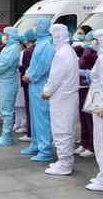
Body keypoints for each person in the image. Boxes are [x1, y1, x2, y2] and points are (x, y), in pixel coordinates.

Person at [41, 24, 80, 175]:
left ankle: (65, 164)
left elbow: (55, 78)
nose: (51, 39)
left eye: (52, 36)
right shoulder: (68, 51)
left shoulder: (62, 54)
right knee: (65, 130)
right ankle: (64, 161)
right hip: (66, 97)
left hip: (62, 98)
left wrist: (46, 91)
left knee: (62, 131)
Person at [85, 29, 103, 191]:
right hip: (99, 102)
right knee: (102, 140)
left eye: (95, 40)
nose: (92, 43)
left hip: (101, 105)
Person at [22, 18, 55, 161]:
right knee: (35, 118)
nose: (34, 27)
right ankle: (35, 144)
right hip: (34, 85)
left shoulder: (47, 45)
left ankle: (45, 149)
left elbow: (44, 66)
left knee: (42, 119)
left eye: (36, 25)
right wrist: (28, 73)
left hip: (41, 85)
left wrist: (31, 76)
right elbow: (34, 64)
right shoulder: (40, 43)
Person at [0, 26, 22, 146]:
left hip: (8, 83)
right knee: (4, 110)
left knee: (7, 111)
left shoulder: (13, 49)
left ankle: (7, 137)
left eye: (6, 34)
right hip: (3, 81)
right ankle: (5, 135)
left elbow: (3, 64)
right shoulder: (8, 48)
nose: (4, 37)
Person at [76, 29, 96, 157]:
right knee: (83, 118)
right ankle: (84, 142)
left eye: (89, 40)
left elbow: (86, 60)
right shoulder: (85, 50)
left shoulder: (94, 53)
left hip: (89, 87)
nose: (86, 42)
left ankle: (91, 145)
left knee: (89, 119)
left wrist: (88, 48)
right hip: (81, 87)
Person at [18, 29, 36, 141]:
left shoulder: (28, 52)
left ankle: (30, 133)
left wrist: (18, 67)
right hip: (35, 83)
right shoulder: (36, 49)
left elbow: (25, 68)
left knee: (29, 109)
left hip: (28, 82)